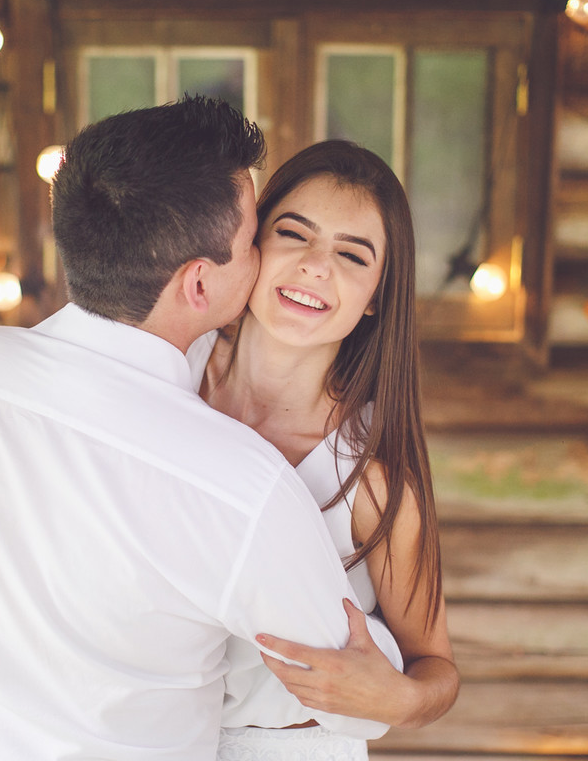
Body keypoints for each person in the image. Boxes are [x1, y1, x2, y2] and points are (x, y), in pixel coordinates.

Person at [0, 98, 399, 761]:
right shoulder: (244, 482)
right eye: (254, 243)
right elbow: (357, 691)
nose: (269, 258)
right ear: (198, 283)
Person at [188, 141, 460, 759]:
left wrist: (400, 701)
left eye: (352, 255)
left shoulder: (372, 479)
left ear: (375, 297)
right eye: (295, 234)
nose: (316, 266)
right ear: (251, 242)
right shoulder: (167, 375)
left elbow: (435, 668)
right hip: (135, 738)